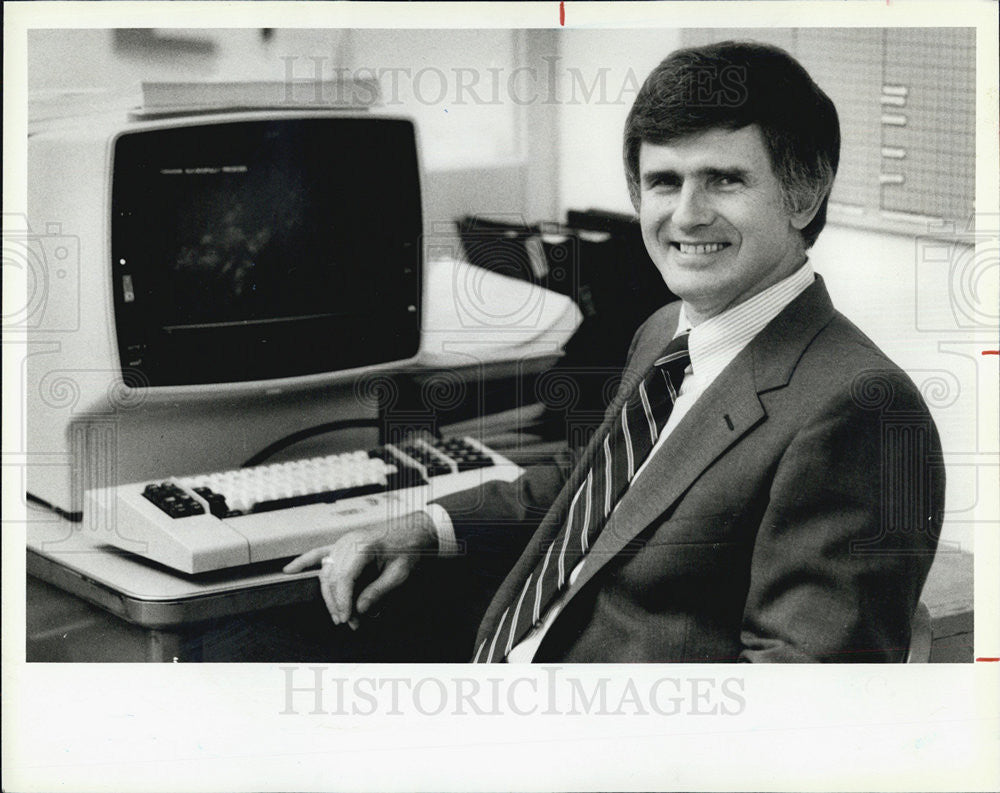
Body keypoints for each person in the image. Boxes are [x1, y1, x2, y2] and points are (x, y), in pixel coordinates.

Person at [285, 41, 944, 662]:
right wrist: (425, 527)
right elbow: (588, 486)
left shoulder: (860, 410)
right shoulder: (664, 331)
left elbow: (795, 708)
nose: (686, 215)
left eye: (723, 180)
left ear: (803, 194)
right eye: (664, 182)